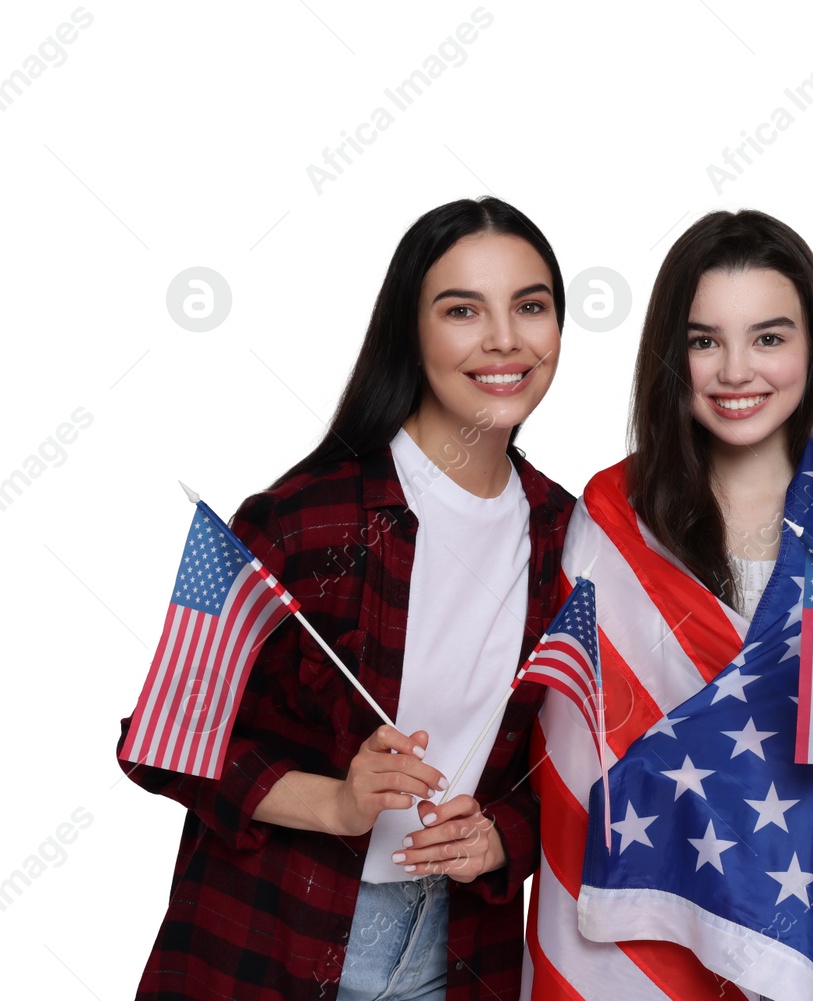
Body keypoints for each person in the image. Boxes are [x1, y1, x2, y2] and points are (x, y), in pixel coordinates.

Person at [116, 196, 575, 1000]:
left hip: (464, 945)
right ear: (411, 330)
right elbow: (162, 740)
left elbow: (575, 764)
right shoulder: (307, 519)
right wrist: (337, 801)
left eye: (529, 306)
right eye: (463, 309)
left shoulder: (570, 535)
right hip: (280, 929)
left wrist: (499, 838)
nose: (505, 339)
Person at [526, 210, 813, 1000]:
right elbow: (577, 768)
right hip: (652, 941)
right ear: (674, 356)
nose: (736, 369)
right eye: (706, 340)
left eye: (769, 338)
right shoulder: (610, 522)